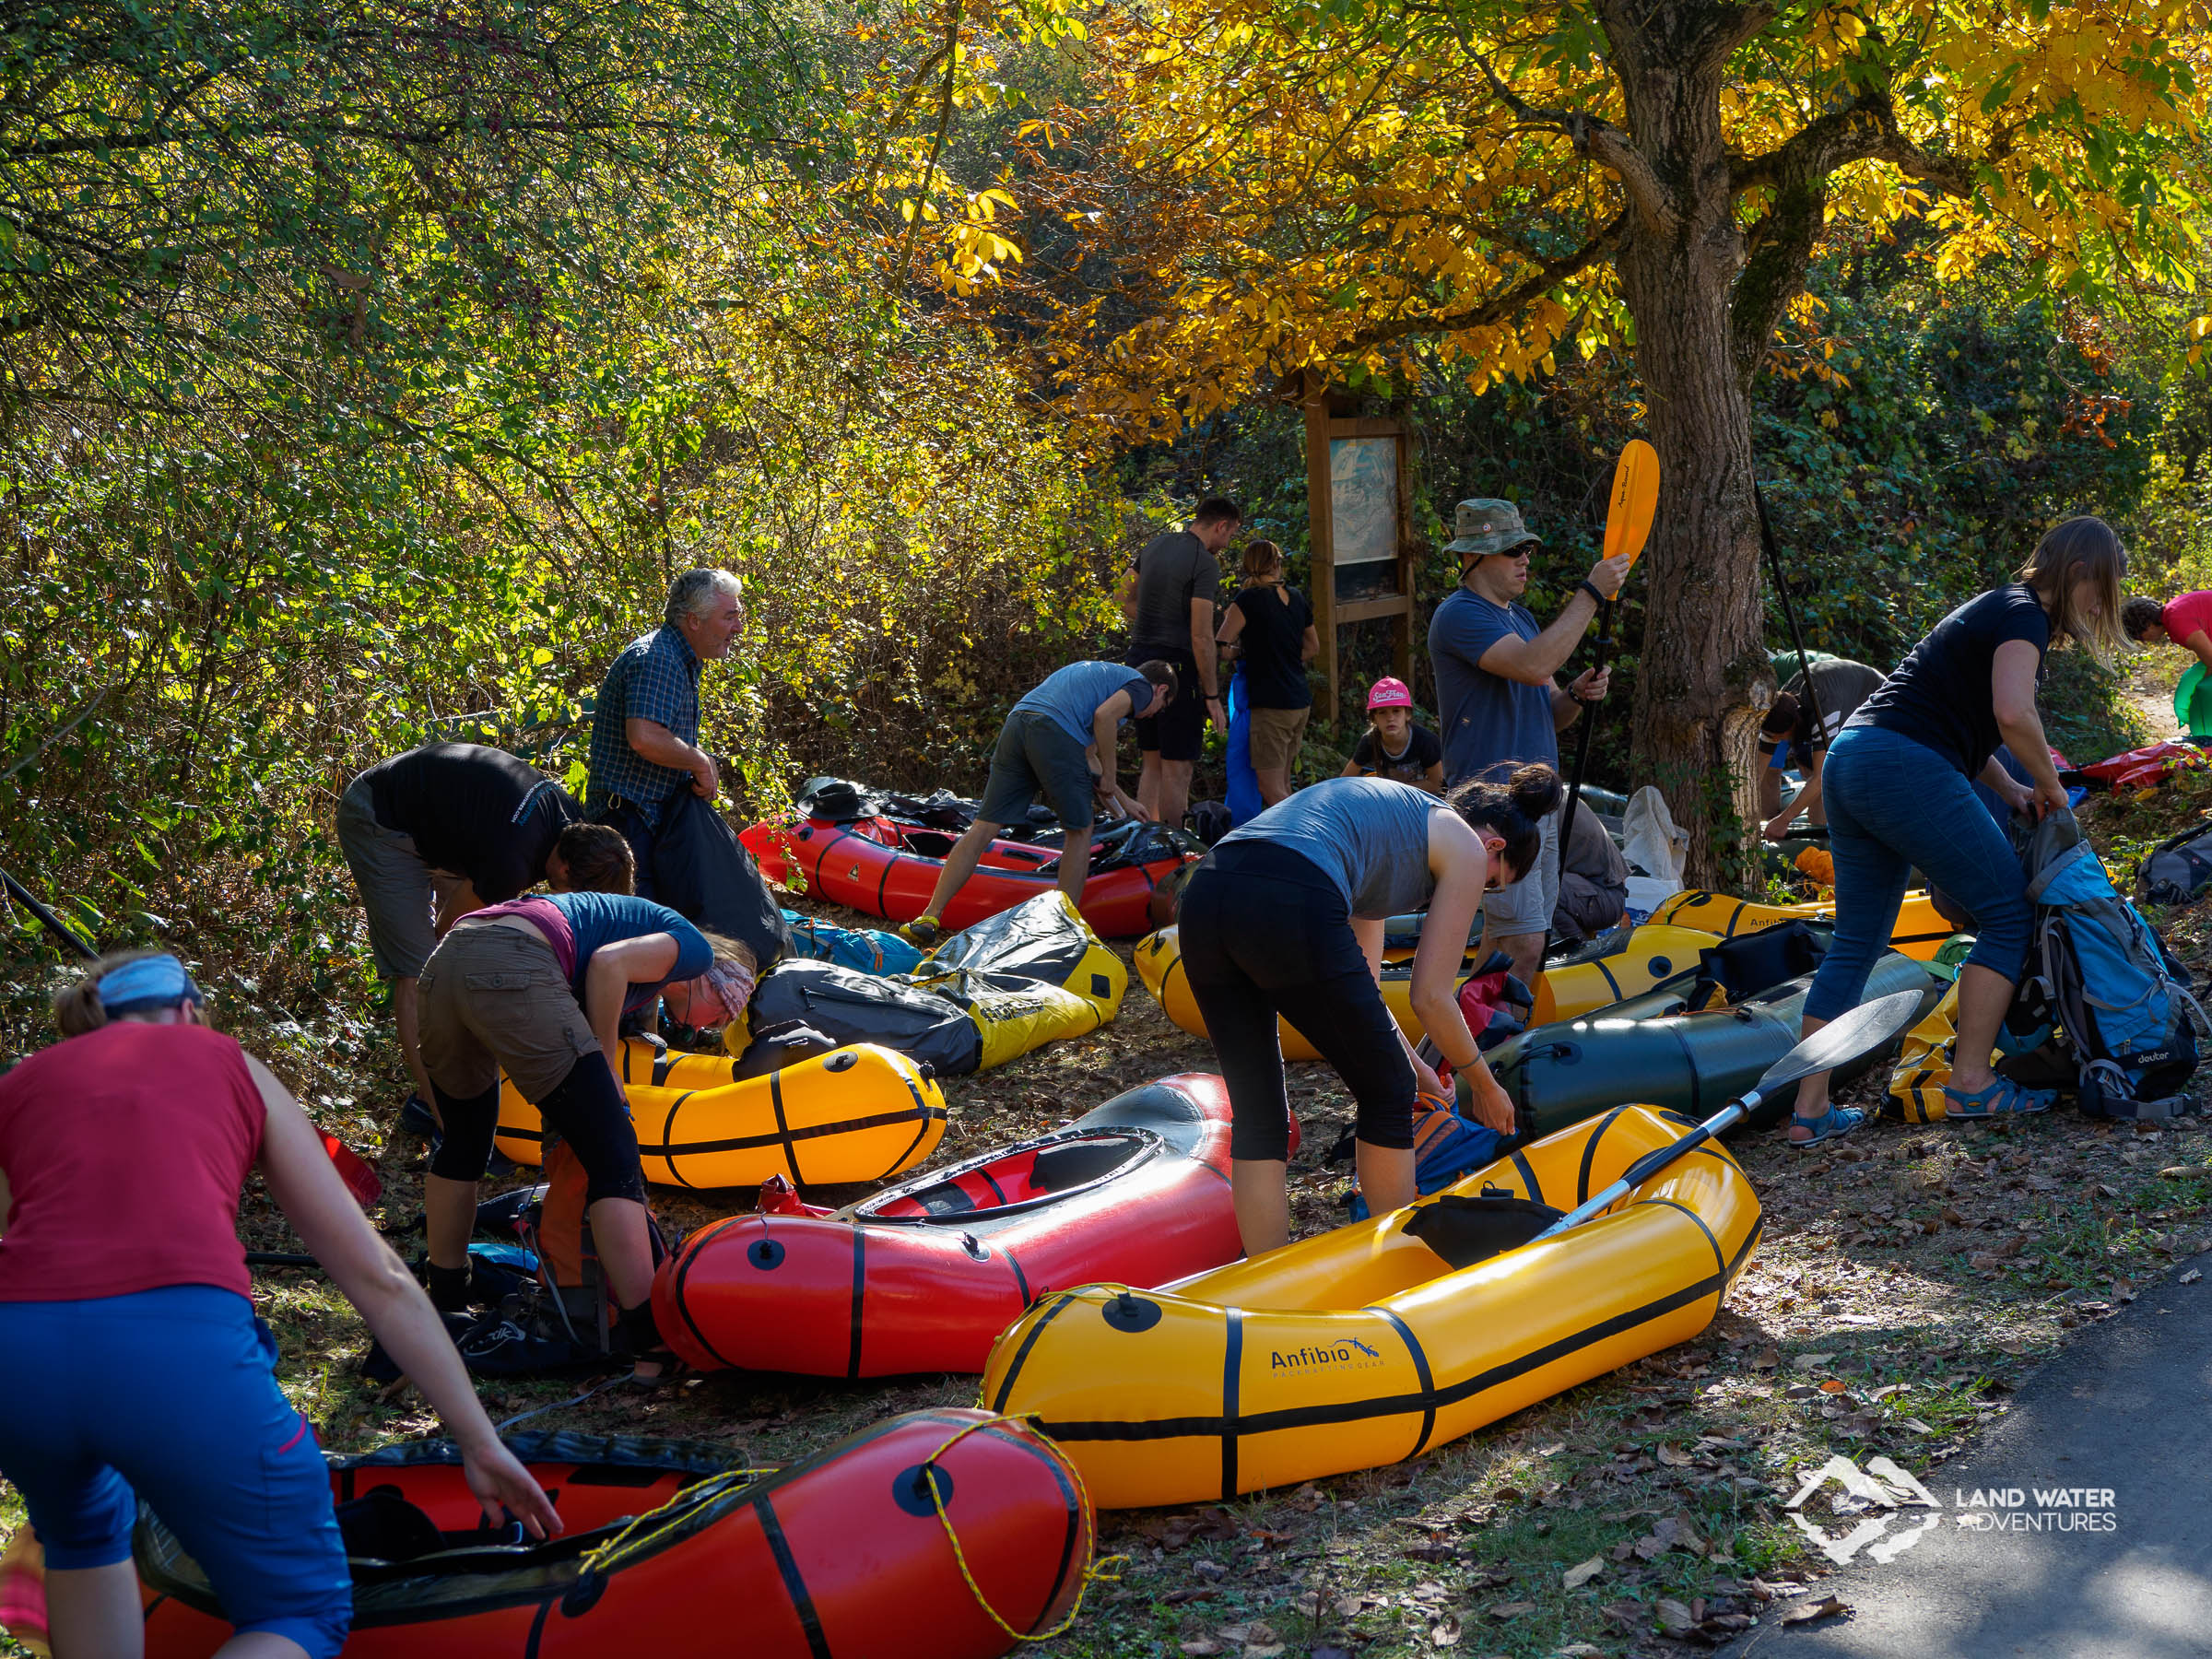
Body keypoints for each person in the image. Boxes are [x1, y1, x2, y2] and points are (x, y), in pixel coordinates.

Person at [0, 951, 559, 1659]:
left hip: (19, 1360)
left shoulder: (21, 1084)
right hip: (174, 1350)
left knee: (80, 1537)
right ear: (189, 1009)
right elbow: (378, 1278)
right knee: (299, 1612)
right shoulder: (223, 1060)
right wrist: (478, 1441)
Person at [1787, 517, 2126, 1147]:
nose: (2099, 605)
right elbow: (2011, 711)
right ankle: (1973, 1081)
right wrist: (2052, 784)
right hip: (1901, 765)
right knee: (2004, 913)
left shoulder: (1995, 605)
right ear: (2079, 571)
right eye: (2100, 590)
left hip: (1852, 760)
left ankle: (1810, 1112)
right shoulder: (2027, 612)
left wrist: (2014, 789)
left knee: (1856, 941)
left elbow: (1960, 723)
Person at [1175, 766, 1562, 1256]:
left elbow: (1366, 993)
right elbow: (1431, 996)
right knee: (1386, 1095)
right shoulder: (1465, 845)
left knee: (1260, 1116)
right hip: (1289, 891)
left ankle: (1266, 1276)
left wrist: (1419, 1068)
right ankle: (1391, 1267)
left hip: (1207, 893)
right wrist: (1484, 1086)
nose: (1479, 894)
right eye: (1491, 886)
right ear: (1495, 849)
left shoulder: (1387, 832)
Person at [415, 890, 758, 1373]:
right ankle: (651, 1337)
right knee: (614, 1159)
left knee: (466, 1142)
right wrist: (605, 1061)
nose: (707, 1031)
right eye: (719, 1018)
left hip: (446, 963)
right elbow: (607, 963)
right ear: (710, 987)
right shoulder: (693, 949)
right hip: (511, 960)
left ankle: (447, 1295)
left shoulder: (637, 943)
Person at [1427, 498, 1628, 985]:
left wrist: (1577, 694)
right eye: (1511, 549)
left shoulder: (1522, 621)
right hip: (1495, 808)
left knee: (1510, 936)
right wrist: (1591, 594)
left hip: (1538, 804)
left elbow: (1552, 712)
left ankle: (1464, 1048)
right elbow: (1534, 665)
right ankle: (1490, 1052)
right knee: (1524, 941)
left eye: (1526, 549)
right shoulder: (1459, 616)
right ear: (1471, 558)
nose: (1524, 559)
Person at [335, 742, 583, 1135]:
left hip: (442, 825)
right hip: (381, 819)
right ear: (564, 867)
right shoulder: (513, 861)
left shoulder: (575, 825)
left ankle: (445, 1096)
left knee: (475, 961)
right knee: (422, 974)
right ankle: (447, 1123)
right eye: (571, 891)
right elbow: (448, 931)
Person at [900, 660, 1175, 947]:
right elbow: (1104, 717)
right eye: (1162, 707)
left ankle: (930, 916)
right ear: (1160, 690)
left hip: (1019, 723)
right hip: (1053, 730)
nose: (1153, 715)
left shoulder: (1104, 680)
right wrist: (1110, 773)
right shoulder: (1140, 685)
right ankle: (1062, 930)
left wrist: (1123, 799)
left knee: (984, 827)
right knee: (1081, 831)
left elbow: (1086, 757)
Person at [586, 568, 745, 896]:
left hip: (645, 823)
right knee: (630, 929)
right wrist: (699, 762)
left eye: (738, 617)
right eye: (729, 617)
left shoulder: (678, 657)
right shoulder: (659, 658)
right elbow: (643, 736)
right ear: (694, 621)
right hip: (626, 824)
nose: (738, 628)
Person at [1124, 498, 1239, 827]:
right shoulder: (1204, 562)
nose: (1227, 544)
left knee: (1153, 761)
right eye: (1230, 535)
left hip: (1139, 660)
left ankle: (1145, 843)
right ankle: (1175, 850)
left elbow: (1121, 596)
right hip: (1177, 669)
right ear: (1221, 526)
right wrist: (1213, 697)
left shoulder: (1155, 544)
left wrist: (1156, 621)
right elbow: (1201, 636)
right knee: (1178, 766)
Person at [1215, 540, 1318, 806]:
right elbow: (1312, 646)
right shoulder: (1295, 597)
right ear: (1275, 564)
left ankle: (1303, 838)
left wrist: (1245, 654)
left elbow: (1222, 646)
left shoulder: (1248, 599)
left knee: (1271, 790)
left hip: (1271, 705)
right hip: (1299, 701)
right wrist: (1283, 657)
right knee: (1283, 783)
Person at [1757, 655, 1888, 839]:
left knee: (1828, 778)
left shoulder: (1822, 710)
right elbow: (1758, 771)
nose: (1780, 742)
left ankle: (1826, 844)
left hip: (1878, 703)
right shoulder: (1780, 705)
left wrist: (1784, 820)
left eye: (1782, 739)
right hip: (1838, 692)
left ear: (1792, 728)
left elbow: (1820, 778)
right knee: (1812, 772)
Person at [1341, 677, 1444, 792]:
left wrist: (1392, 790)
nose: (1390, 718)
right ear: (1374, 719)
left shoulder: (1426, 741)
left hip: (1425, 801)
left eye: (1396, 711)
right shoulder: (1370, 740)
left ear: (1408, 714)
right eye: (1382, 712)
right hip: (1388, 800)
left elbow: (1436, 785)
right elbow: (1343, 782)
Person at [1552, 797, 1630, 942]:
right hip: (1592, 889)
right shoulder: (1554, 799)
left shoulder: (1548, 809)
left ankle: (1579, 951)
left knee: (1546, 891)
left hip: (1606, 894)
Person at [2122, 590, 2212, 686]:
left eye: (2140, 637)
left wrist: (2198, 691)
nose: (2144, 642)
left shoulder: (2176, 621)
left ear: (2147, 624)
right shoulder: (2173, 609)